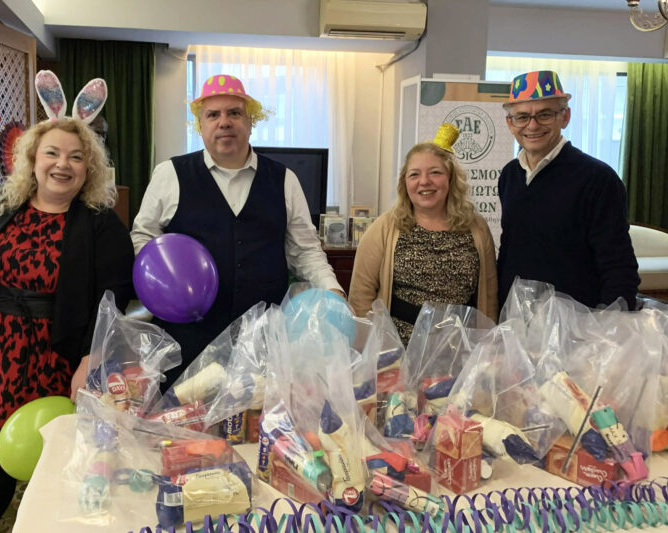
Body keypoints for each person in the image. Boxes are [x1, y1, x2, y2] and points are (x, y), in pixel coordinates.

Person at [0, 74, 135, 533]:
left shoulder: (100, 225)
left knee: (54, 468)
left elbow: (114, 300)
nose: (62, 164)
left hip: (55, 359)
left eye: (76, 157)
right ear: (32, 159)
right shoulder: (1, 205)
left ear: (89, 169)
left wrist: (90, 358)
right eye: (52, 153)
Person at [131, 74, 342, 382]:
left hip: (263, 343)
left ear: (250, 121)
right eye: (212, 115)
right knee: (185, 411)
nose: (224, 122)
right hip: (186, 342)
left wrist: (333, 292)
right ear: (200, 124)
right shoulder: (170, 174)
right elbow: (143, 236)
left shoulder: (284, 180)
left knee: (258, 413)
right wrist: (162, 281)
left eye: (234, 113)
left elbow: (306, 250)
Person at [496, 70, 639, 310]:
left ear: (565, 117)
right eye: (522, 116)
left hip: (577, 322)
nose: (533, 125)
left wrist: (609, 323)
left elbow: (618, 264)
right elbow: (511, 250)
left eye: (545, 114)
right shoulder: (510, 175)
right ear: (510, 123)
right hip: (516, 318)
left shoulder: (597, 178)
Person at [348, 124, 498, 343]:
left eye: (435, 172)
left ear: (451, 179)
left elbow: (489, 295)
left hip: (462, 347)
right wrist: (372, 348)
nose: (424, 181)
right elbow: (361, 296)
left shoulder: (476, 227)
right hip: (399, 348)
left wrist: (488, 345)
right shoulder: (384, 228)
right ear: (405, 182)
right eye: (414, 174)